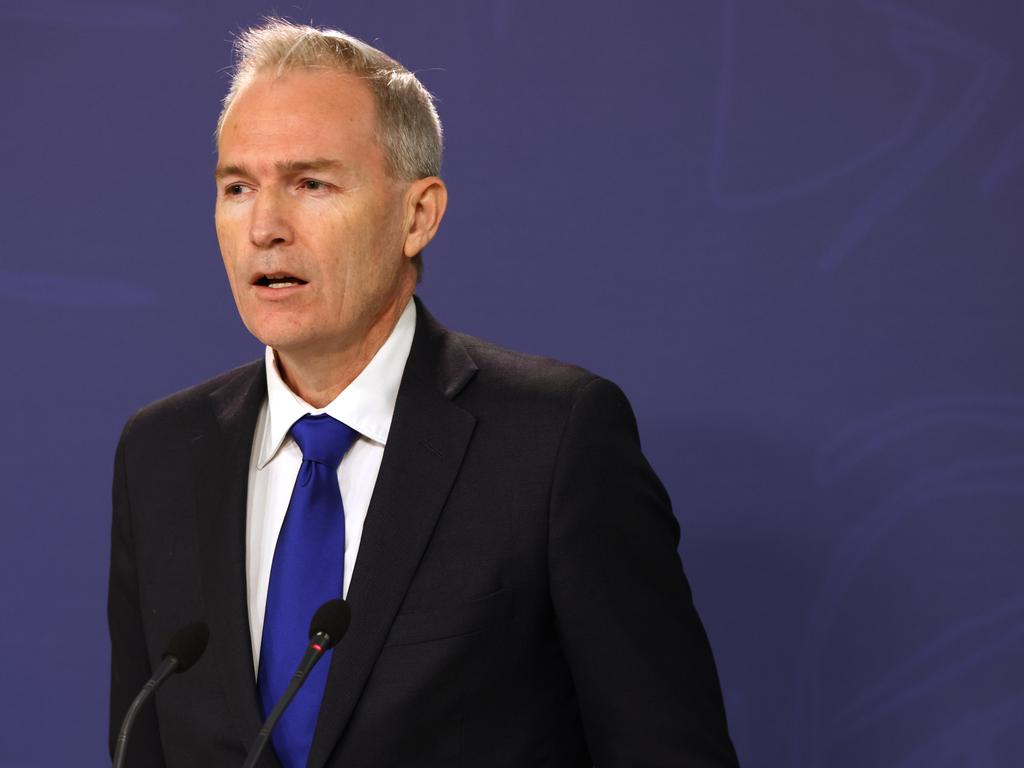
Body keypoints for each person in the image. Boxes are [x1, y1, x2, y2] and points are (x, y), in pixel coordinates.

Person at [108, 18, 740, 768]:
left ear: (418, 215)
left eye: (311, 183)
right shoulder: (162, 454)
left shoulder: (553, 442)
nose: (265, 227)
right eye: (238, 187)